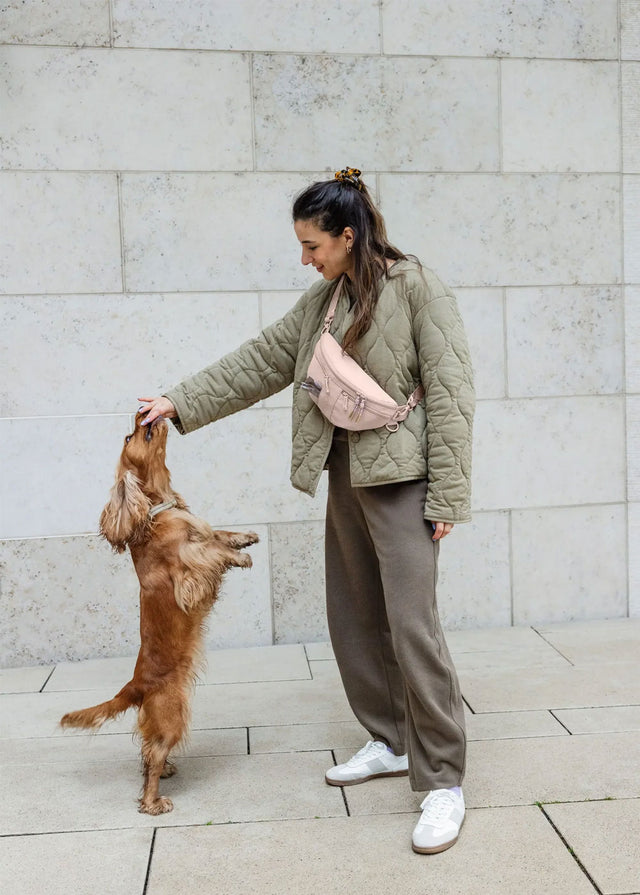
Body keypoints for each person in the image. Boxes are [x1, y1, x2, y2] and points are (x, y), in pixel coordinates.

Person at [139, 167, 475, 854]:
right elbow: (263, 358)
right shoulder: (324, 301)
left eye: (313, 244)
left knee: (412, 627)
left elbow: (451, 390)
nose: (305, 257)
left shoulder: (419, 289)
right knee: (353, 616)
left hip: (405, 479)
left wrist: (448, 494)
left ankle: (442, 778)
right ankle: (387, 737)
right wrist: (180, 400)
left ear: (349, 236)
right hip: (348, 472)